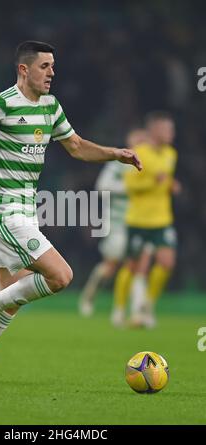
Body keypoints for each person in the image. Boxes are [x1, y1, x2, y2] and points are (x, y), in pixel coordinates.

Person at [0, 40, 141, 389]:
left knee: (13, 299)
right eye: (45, 66)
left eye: (53, 66)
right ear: (24, 69)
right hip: (2, 211)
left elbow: (76, 146)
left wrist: (114, 154)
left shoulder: (50, 107)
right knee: (61, 276)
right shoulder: (0, 104)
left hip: (25, 212)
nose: (52, 72)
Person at [113, 111, 179, 328]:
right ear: (154, 130)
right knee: (132, 267)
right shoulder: (138, 153)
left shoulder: (171, 154)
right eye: (167, 129)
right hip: (138, 220)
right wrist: (154, 182)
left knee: (166, 262)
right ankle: (119, 309)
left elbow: (164, 181)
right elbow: (130, 186)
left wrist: (170, 185)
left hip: (162, 219)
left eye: (171, 129)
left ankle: (147, 305)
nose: (171, 133)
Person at [79, 128, 148, 318]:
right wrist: (129, 188)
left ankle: (135, 311)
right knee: (111, 265)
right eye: (137, 138)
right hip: (118, 222)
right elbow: (102, 186)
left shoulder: (149, 163)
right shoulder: (120, 164)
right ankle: (88, 297)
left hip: (143, 222)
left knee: (138, 265)